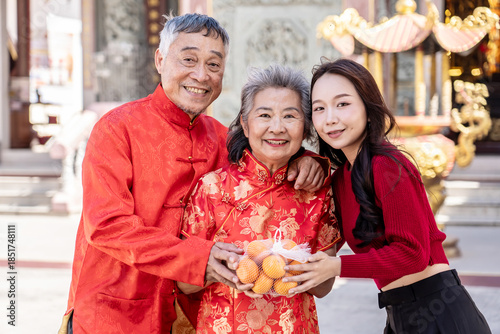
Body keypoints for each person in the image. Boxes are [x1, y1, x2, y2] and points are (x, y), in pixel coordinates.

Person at [58, 13, 325, 334]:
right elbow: (106, 226)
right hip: (114, 310)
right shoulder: (117, 128)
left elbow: (268, 152)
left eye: (214, 65)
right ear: (160, 59)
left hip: (187, 315)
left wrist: (308, 160)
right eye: (188, 59)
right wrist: (199, 256)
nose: (201, 75)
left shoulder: (218, 136)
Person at [284, 58, 492, 333]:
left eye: (342, 104)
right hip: (399, 311)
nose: (330, 117)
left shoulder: (387, 166)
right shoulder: (341, 179)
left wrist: (336, 267)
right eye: (319, 108)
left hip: (440, 310)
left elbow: (412, 254)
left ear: (368, 109)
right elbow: (320, 236)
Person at [177, 64, 341, 333]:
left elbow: (324, 287)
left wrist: (291, 265)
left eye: (290, 116)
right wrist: (219, 267)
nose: (276, 128)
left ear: (306, 126)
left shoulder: (316, 192)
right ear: (244, 122)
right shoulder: (213, 187)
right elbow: (185, 283)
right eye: (264, 115)